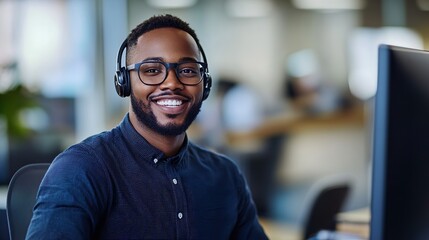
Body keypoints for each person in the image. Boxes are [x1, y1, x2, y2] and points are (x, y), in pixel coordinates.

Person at [25, 14, 268, 239]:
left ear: (205, 85)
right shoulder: (82, 168)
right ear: (124, 82)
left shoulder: (225, 174)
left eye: (186, 70)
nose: (172, 83)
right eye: (152, 70)